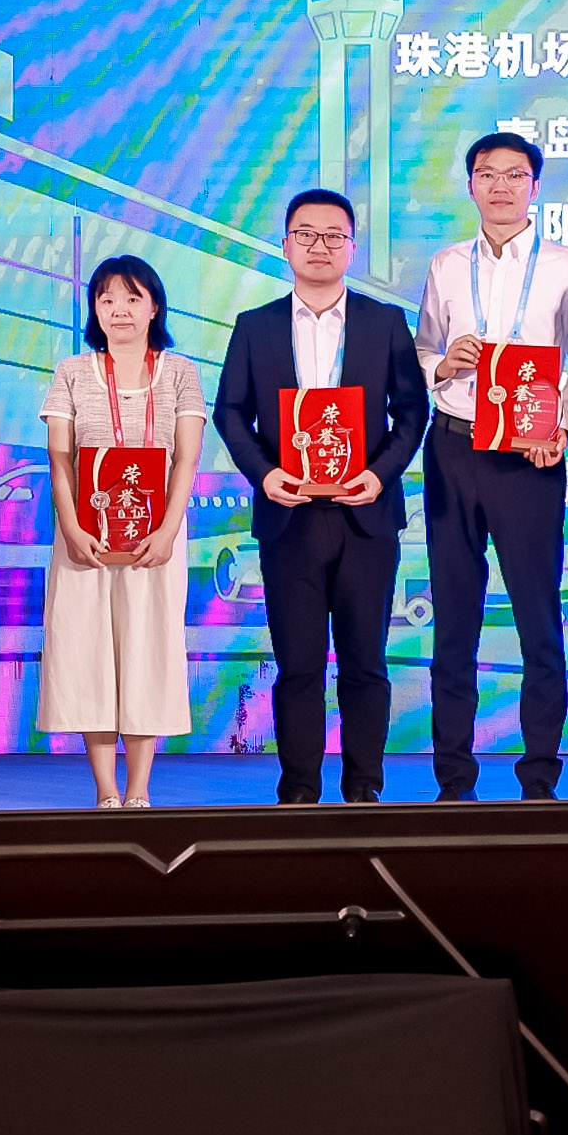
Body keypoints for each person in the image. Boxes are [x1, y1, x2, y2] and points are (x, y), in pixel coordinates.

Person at [212, 191, 432, 804]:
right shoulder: (255, 326)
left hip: (366, 516)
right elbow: (230, 412)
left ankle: (364, 791)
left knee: (366, 665)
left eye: (334, 235)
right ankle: (298, 795)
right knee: (299, 666)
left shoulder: (383, 323)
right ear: (286, 246)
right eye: (306, 234)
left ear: (352, 248)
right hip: (289, 517)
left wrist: (379, 476)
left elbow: (412, 411)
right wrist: (265, 475)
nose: (320, 246)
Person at [415, 130, 568, 801]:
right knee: (454, 617)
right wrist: (442, 364)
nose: (501, 186)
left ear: (535, 187)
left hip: (528, 455)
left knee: (538, 618)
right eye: (487, 173)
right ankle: (453, 780)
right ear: (470, 185)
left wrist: (563, 430)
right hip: (453, 445)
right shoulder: (445, 264)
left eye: (515, 175)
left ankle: (539, 777)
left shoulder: (567, 268)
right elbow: (422, 348)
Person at [42, 254, 203, 808]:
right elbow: (60, 458)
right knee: (89, 651)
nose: (120, 310)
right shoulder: (72, 372)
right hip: (84, 536)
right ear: (94, 309)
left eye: (133, 298)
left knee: (146, 650)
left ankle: (139, 791)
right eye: (106, 299)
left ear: (154, 306)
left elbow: (186, 459)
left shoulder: (179, 372)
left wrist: (168, 531)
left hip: (155, 537)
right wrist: (70, 527)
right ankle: (106, 791)